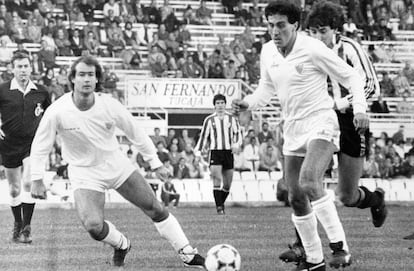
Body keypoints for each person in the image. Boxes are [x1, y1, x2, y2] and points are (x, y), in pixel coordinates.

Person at [30, 56, 205, 268]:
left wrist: (155, 162)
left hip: (115, 164)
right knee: (93, 226)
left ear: (97, 80)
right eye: (81, 74)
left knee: (155, 208)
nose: (86, 79)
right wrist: (36, 178)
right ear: (72, 79)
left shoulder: (109, 105)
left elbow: (136, 132)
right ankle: (121, 244)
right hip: (84, 173)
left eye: (91, 75)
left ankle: (187, 253)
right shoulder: (57, 110)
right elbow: (40, 144)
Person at [231, 1, 369, 270]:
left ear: (295, 25)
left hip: (321, 121)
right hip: (292, 127)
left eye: (281, 25)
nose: (274, 31)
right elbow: (266, 88)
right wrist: (249, 102)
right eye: (270, 25)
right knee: (294, 196)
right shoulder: (268, 50)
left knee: (309, 179)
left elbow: (352, 76)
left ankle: (340, 248)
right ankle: (314, 260)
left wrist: (360, 109)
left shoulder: (312, 48)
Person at [278, 1, 389, 267]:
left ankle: (374, 199)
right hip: (319, 121)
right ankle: (304, 246)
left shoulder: (349, 49)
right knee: (308, 180)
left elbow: (371, 86)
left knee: (346, 196)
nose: (318, 37)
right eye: (313, 31)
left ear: (335, 30)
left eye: (323, 31)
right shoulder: (305, 49)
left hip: (351, 121)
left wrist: (342, 103)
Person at [0, 52, 51, 244]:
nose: (23, 70)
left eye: (25, 66)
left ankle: (27, 229)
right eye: (19, 67)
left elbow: (50, 114)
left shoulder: (41, 91)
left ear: (31, 68)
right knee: (14, 189)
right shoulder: (3, 90)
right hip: (8, 144)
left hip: (32, 144)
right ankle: (18, 224)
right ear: (12, 69)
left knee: (29, 182)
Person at [195, 94, 242, 214]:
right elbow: (203, 137)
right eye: (217, 103)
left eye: (222, 103)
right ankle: (219, 208)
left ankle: (220, 203)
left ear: (225, 104)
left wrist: (236, 144)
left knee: (227, 184)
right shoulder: (209, 120)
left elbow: (237, 134)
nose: (220, 105)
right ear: (214, 105)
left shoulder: (232, 119)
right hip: (215, 152)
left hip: (228, 152)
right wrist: (198, 152)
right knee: (216, 179)